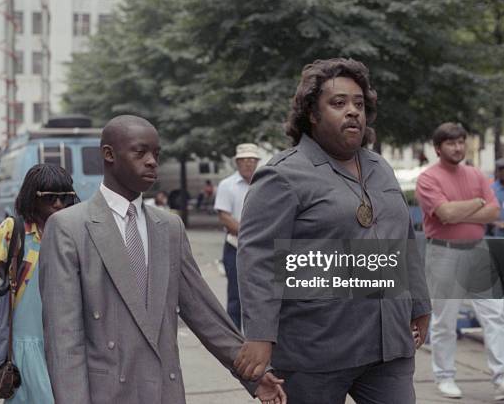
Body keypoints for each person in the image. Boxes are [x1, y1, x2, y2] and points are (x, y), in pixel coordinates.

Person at [38, 115, 285, 404]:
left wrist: (254, 374)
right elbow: (64, 339)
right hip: (105, 394)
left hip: (164, 392)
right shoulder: (69, 227)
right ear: (108, 155)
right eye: (140, 152)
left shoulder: (169, 228)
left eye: (156, 154)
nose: (152, 161)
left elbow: (205, 313)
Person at [234, 58, 431, 404]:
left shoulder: (380, 167)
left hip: (388, 342)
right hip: (316, 348)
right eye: (338, 103)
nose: (352, 111)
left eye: (359, 103)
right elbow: (258, 258)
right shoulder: (283, 175)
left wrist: (419, 303)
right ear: (312, 113)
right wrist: (260, 334)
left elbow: (404, 239)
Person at [415, 122, 504, 400]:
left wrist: (461, 210)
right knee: (444, 320)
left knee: (495, 314)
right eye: (451, 143)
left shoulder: (475, 174)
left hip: (478, 250)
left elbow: (494, 212)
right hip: (443, 252)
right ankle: (445, 377)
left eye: (461, 142)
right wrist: (476, 203)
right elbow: (446, 214)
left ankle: (503, 379)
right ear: (438, 148)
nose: (458, 147)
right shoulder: (428, 178)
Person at [0, 164, 78, 404]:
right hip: (24, 342)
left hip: (65, 343)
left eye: (65, 198)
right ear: (32, 198)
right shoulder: (13, 231)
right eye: (50, 198)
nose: (59, 204)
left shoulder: (74, 232)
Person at [214, 143, 261, 329]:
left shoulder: (264, 182)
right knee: (236, 294)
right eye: (244, 160)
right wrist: (250, 236)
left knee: (262, 294)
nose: (248, 164)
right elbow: (224, 216)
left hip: (262, 247)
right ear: (237, 162)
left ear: (257, 162)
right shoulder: (227, 185)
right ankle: (233, 337)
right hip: (236, 246)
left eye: (252, 160)